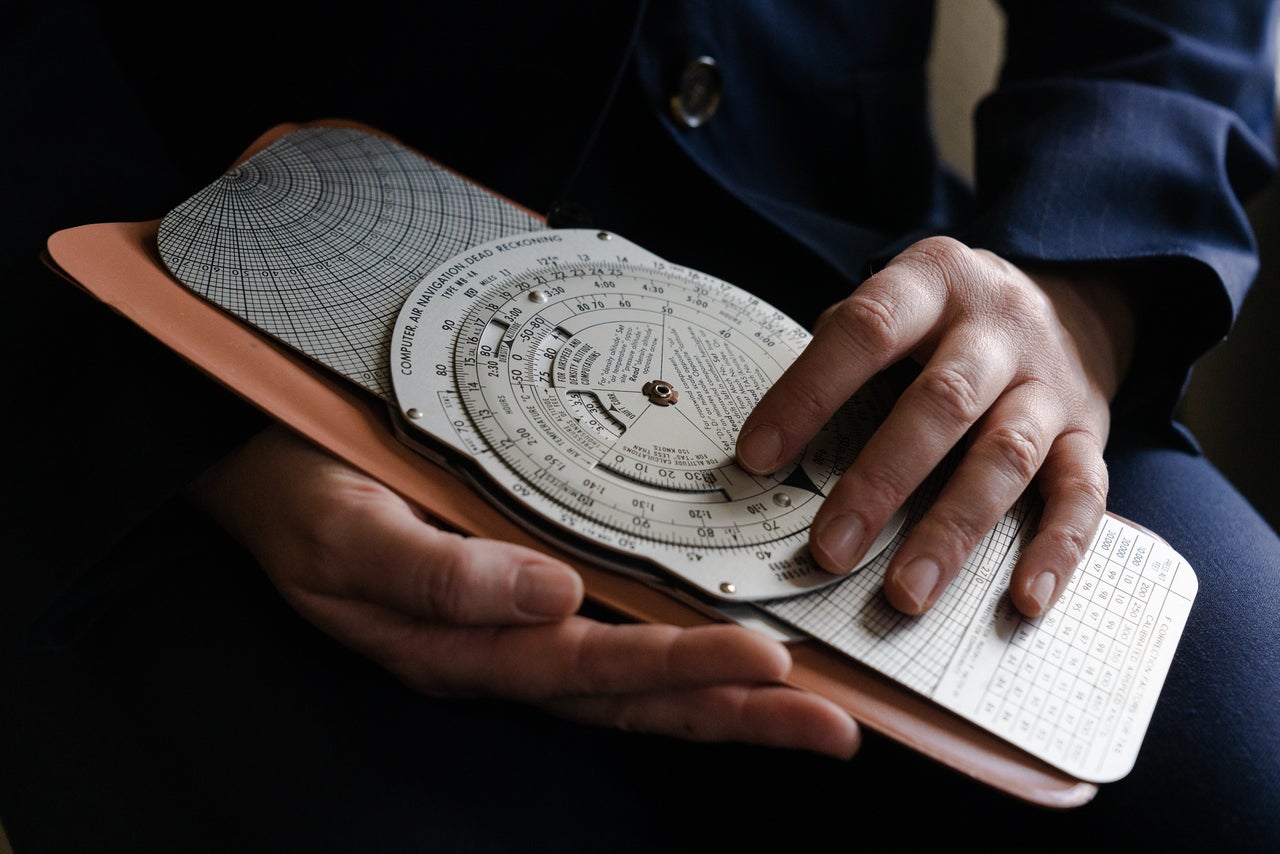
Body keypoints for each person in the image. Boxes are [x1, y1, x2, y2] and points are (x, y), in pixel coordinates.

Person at [4, 1, 1277, 850]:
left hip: (870, 303)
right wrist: (196, 418)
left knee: (1243, 765)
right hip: (214, 330)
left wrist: (1080, 291)